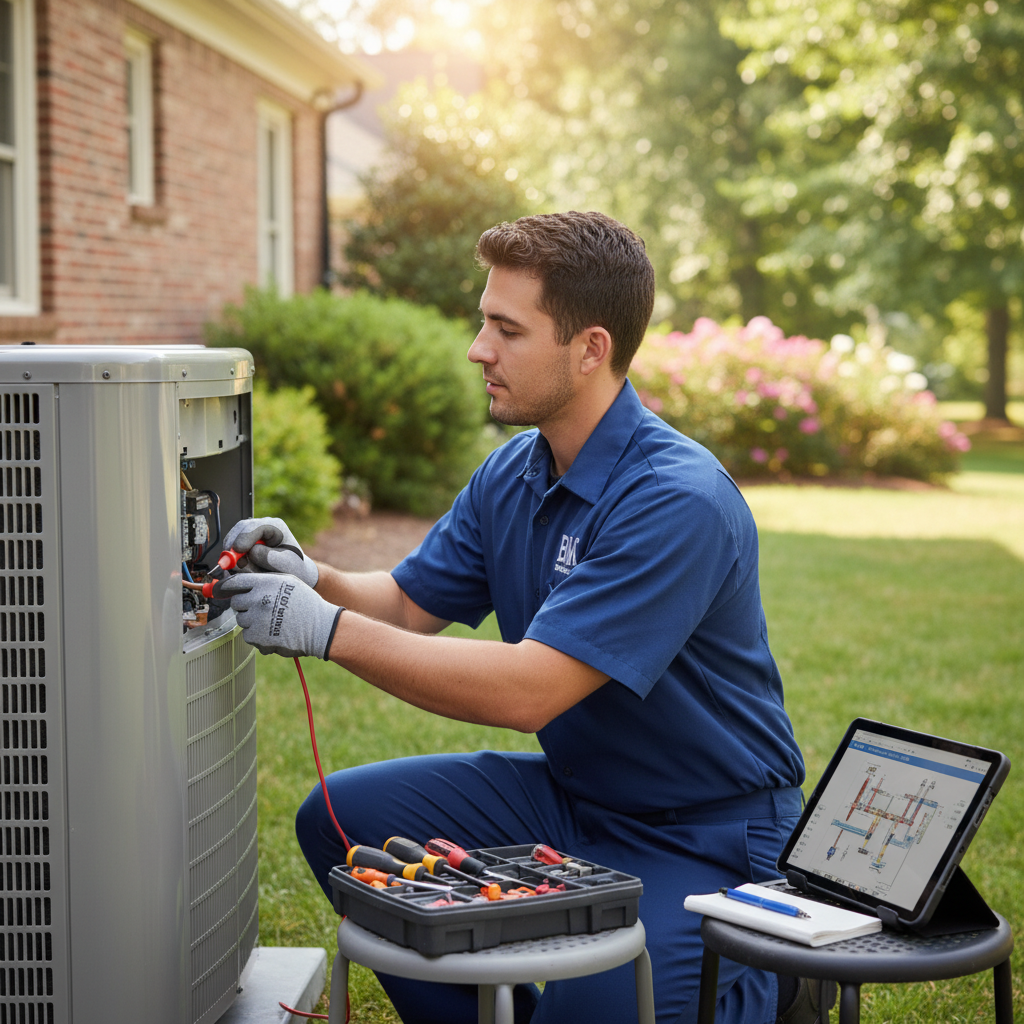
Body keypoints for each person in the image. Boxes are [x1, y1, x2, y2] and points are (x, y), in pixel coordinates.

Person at [219, 211, 811, 1024]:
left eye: (506, 328)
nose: (477, 349)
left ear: (590, 348)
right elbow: (407, 602)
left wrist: (323, 629)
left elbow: (529, 691)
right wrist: (311, 574)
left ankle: (767, 987)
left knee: (596, 1006)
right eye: (481, 323)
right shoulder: (514, 472)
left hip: (706, 837)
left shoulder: (678, 500)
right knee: (339, 819)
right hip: (576, 804)